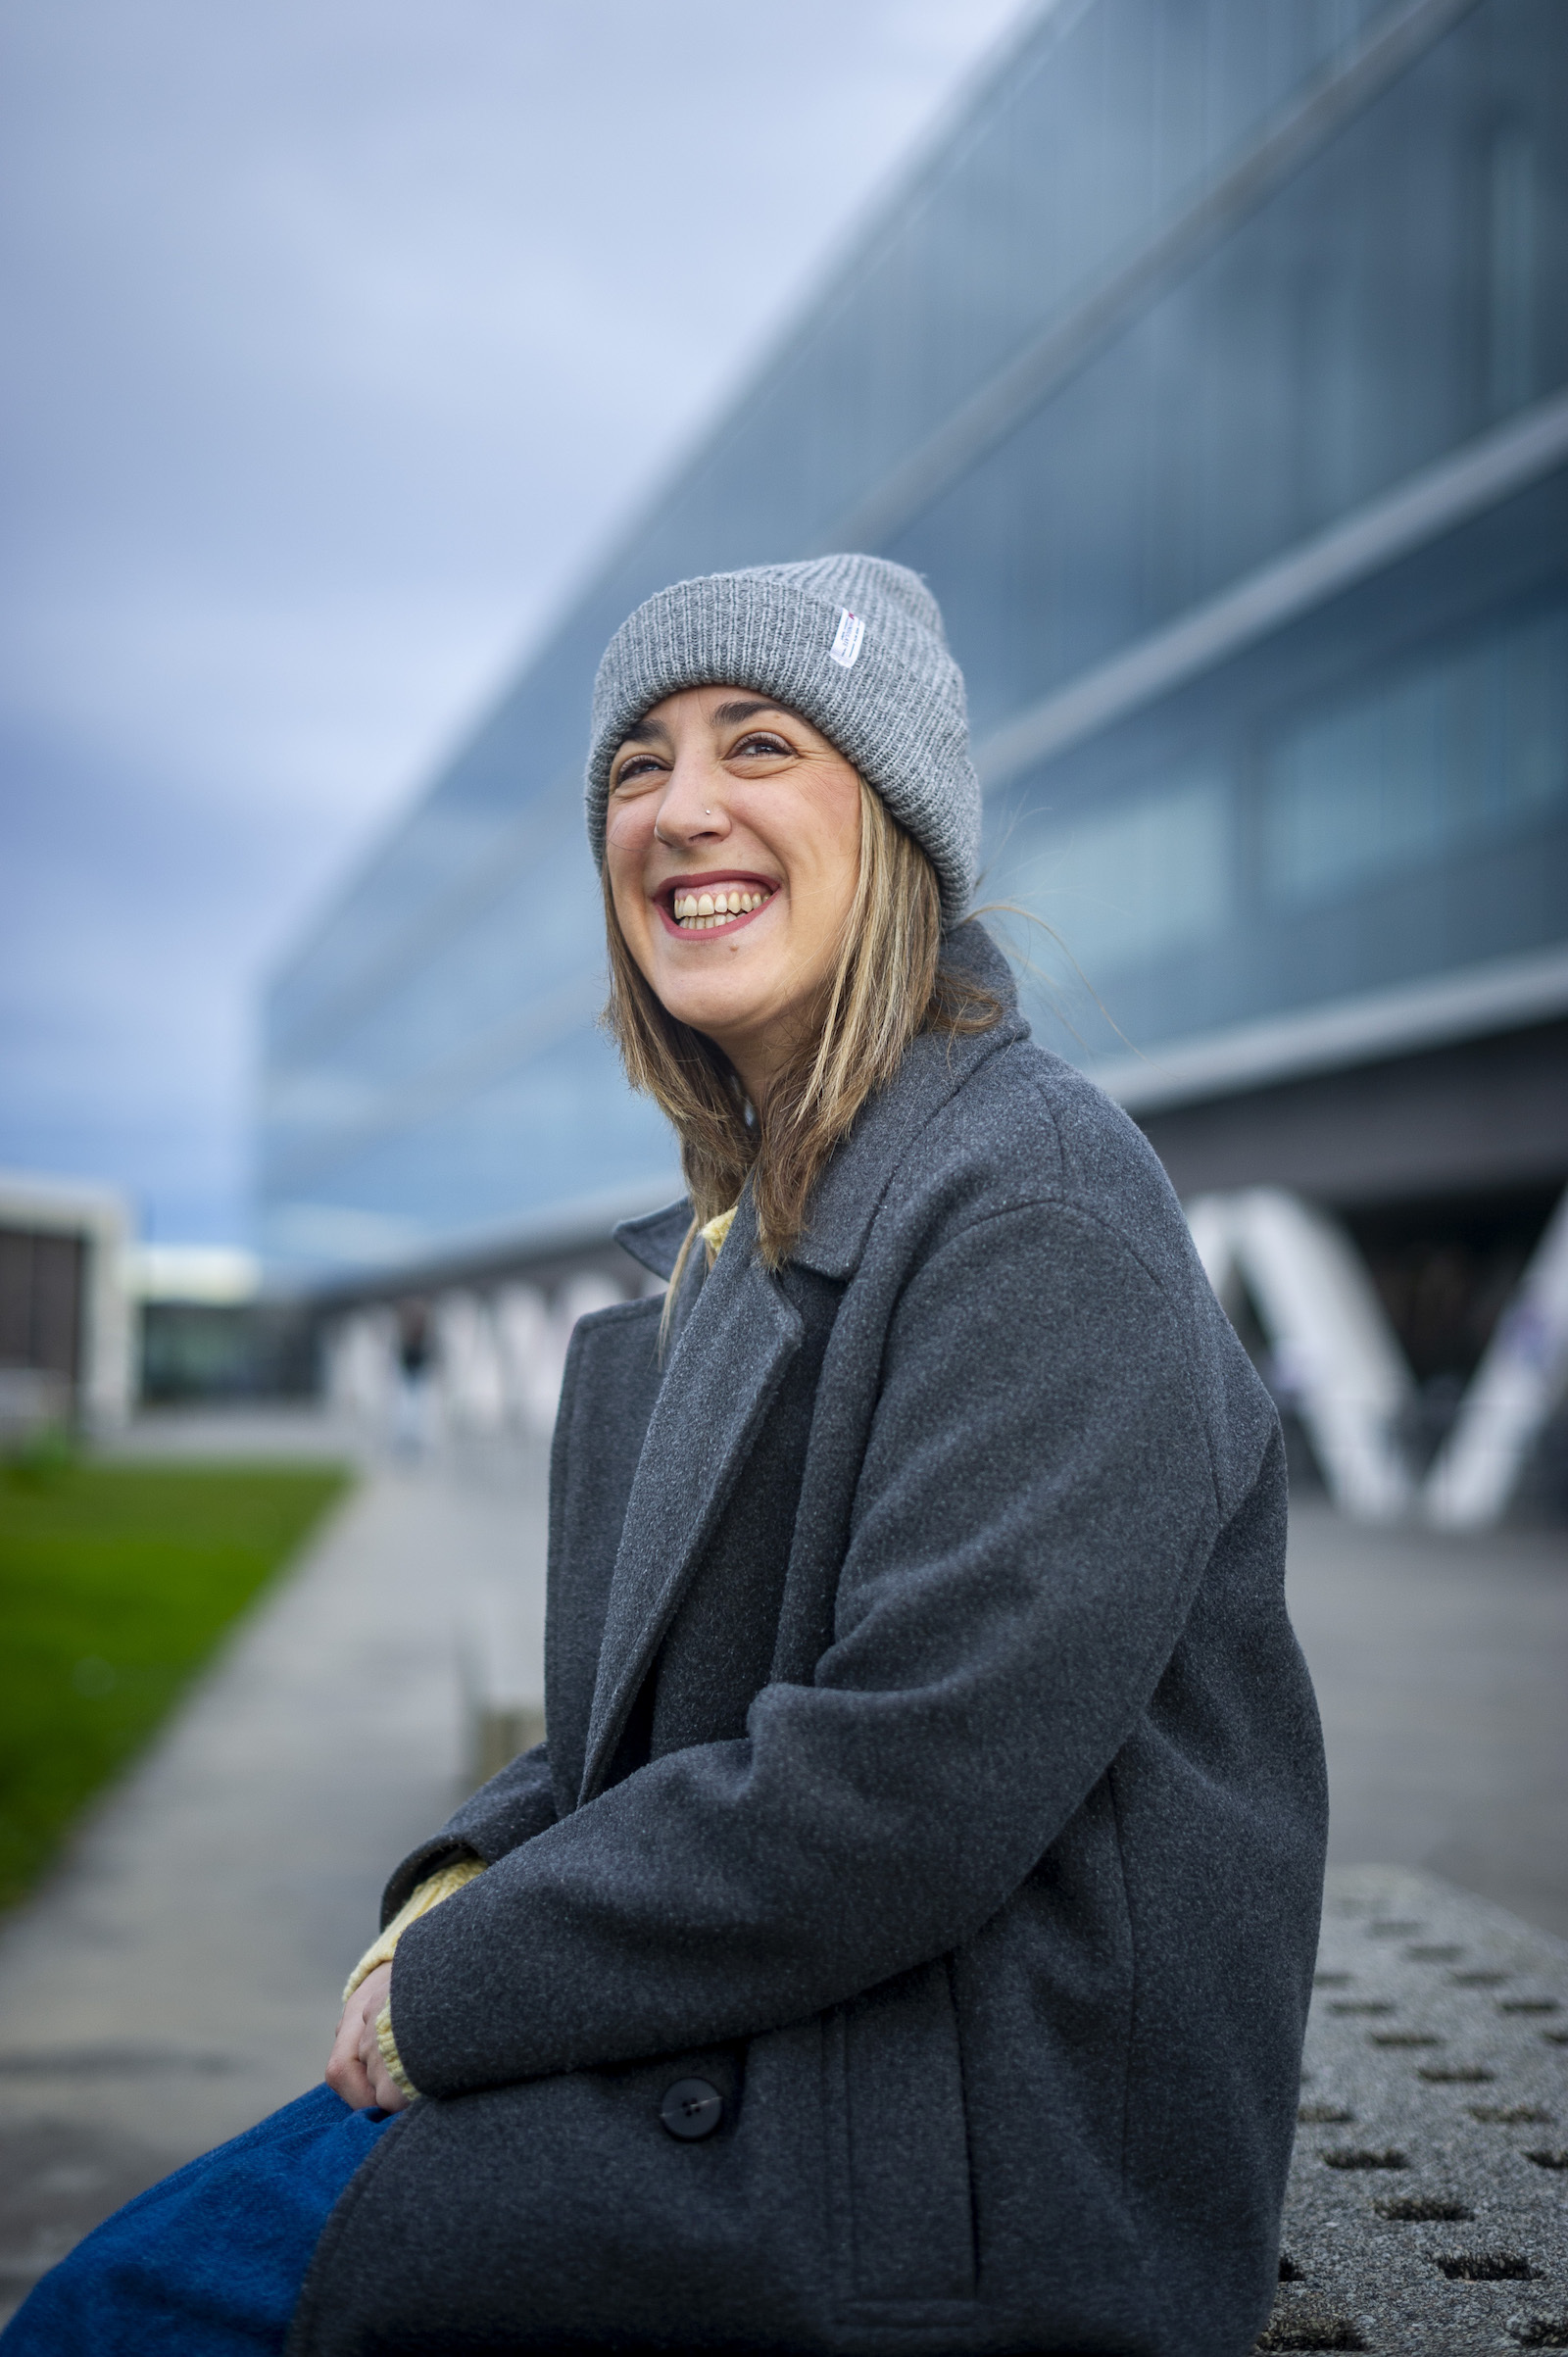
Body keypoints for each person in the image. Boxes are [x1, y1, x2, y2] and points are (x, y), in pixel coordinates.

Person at [4, 556, 1328, 2357]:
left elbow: (900, 1787)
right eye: (636, 765)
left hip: (961, 2176)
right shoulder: (743, 1234)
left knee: (120, 2318)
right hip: (820, 2070)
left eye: (760, 743)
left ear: (899, 826)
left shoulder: (1039, 1202)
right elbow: (654, 1723)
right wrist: (469, 1870)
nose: (681, 807)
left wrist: (461, 1989)